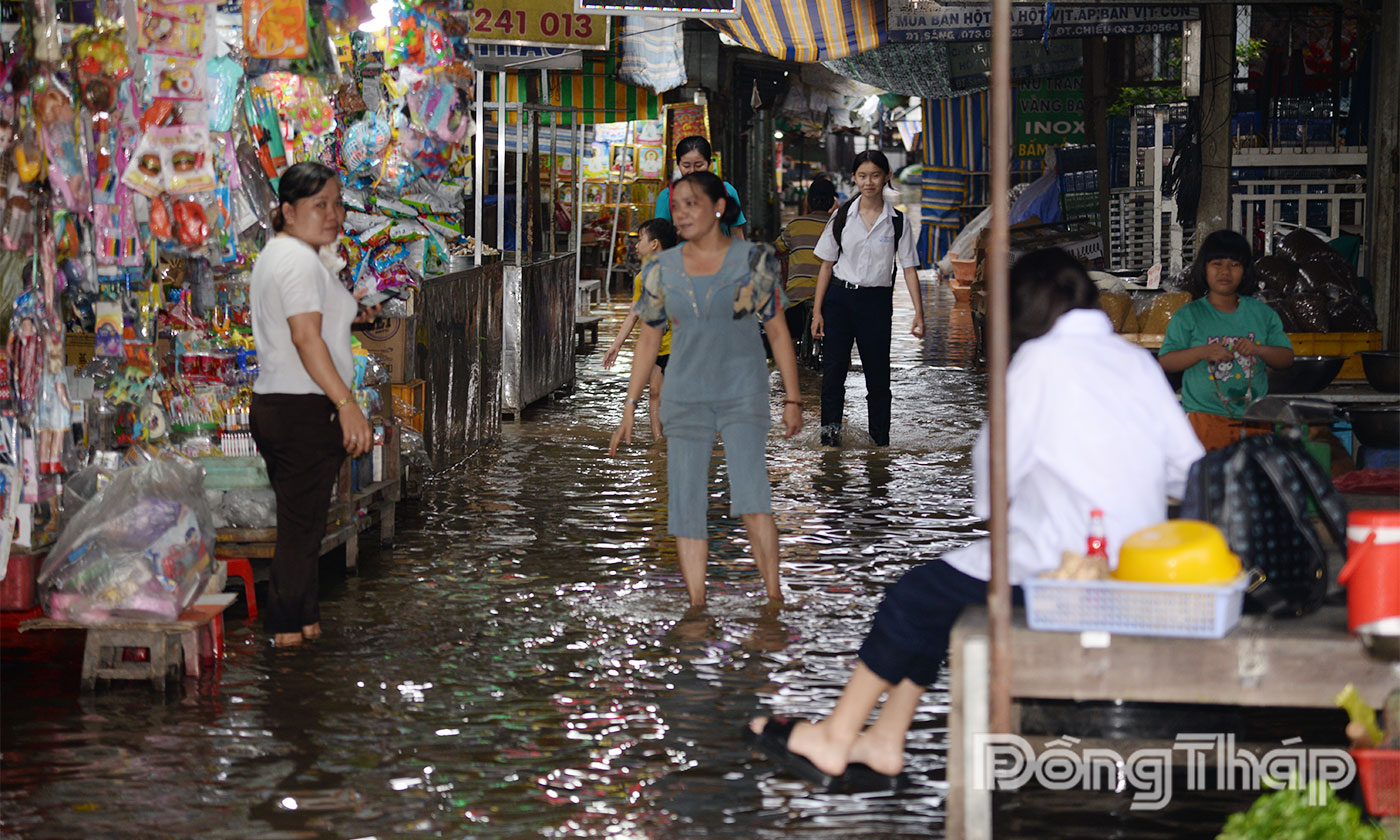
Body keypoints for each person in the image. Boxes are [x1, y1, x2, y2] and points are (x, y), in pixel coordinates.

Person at [746, 248, 1205, 788]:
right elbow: (1188, 472)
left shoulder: (1037, 363)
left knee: (911, 597)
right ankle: (884, 740)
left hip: (1064, 571)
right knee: (939, 602)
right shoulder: (1134, 362)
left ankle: (836, 735)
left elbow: (992, 484)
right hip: (1138, 568)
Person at [610, 172, 802, 608]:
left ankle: (773, 601)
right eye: (676, 205)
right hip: (683, 396)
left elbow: (777, 332)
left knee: (753, 496)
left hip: (742, 392)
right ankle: (697, 606)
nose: (680, 213)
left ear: (719, 207)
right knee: (685, 503)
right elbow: (647, 338)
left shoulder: (754, 259)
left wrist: (792, 398)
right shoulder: (662, 269)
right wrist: (630, 406)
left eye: (692, 203)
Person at [249, 161, 379, 648]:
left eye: (337, 203)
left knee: (303, 525)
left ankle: (305, 625)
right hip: (302, 407)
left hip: (284, 405)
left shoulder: (286, 255)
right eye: (319, 204)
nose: (333, 214)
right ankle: (285, 638)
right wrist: (346, 402)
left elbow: (313, 328)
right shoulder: (297, 261)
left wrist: (358, 312)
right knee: (301, 532)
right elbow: (306, 339)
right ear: (287, 210)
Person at [810, 151, 925, 447]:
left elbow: (910, 269)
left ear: (887, 176)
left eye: (875, 175)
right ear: (854, 178)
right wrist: (817, 312)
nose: (868, 182)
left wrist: (918, 313)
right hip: (839, 300)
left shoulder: (898, 221)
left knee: (879, 379)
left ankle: (880, 445)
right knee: (833, 375)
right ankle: (829, 443)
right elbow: (826, 265)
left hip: (876, 304)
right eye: (862, 176)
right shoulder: (842, 216)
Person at [1158, 230, 1294, 452]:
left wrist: (1259, 349)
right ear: (1204, 268)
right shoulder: (1188, 315)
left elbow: (1286, 358)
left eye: (1234, 265)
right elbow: (1166, 361)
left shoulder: (1262, 314)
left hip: (1255, 421)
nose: (1225, 272)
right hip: (1203, 422)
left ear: (1245, 271)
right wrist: (1203, 352)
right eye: (1217, 263)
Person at [602, 218, 679, 439]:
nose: (635, 245)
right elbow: (634, 314)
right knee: (654, 392)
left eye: (640, 240)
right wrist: (616, 345)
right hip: (657, 348)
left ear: (654, 244)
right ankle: (658, 443)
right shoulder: (641, 279)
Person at [775, 177, 837, 368]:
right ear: (832, 201)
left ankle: (788, 365)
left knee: (790, 337)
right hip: (829, 295)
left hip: (797, 294)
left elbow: (776, 249)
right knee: (838, 339)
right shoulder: (837, 226)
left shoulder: (795, 226)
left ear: (808, 200)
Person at [653, 136, 747, 240]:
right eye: (686, 166)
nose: (692, 171)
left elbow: (737, 235)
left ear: (709, 163)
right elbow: (660, 240)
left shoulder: (726, 191)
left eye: (699, 165)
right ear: (678, 165)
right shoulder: (667, 197)